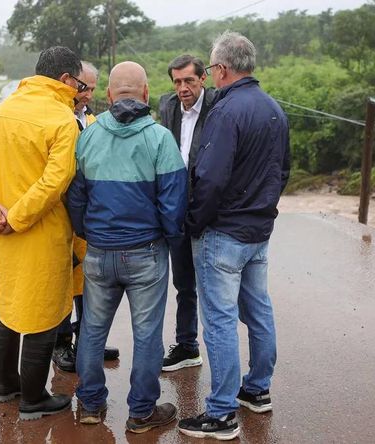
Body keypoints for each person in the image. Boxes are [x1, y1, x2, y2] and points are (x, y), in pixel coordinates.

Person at [177, 32, 291, 440]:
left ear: (221, 70)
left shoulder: (226, 112)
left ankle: (221, 412)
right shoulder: (274, 109)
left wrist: (194, 222)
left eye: (209, 70)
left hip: (223, 232)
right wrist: (265, 209)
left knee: (221, 320)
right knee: (258, 309)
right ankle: (257, 389)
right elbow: (282, 172)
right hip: (258, 230)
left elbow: (210, 177)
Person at [0, 46, 86, 421]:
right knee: (43, 313)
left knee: (10, 307)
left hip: (3, 233)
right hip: (40, 232)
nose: (80, 91)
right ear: (65, 79)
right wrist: (16, 217)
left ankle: (7, 386)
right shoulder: (62, 121)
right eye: (78, 84)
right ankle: (33, 397)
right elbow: (56, 181)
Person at [67, 61, 187, 433]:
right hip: (146, 253)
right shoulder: (160, 139)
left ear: (107, 95)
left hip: (100, 253)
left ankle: (89, 405)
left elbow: (75, 197)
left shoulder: (88, 136)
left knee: (91, 329)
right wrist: (169, 239)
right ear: (147, 93)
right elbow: (173, 204)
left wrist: (89, 232)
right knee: (147, 334)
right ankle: (141, 413)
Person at [53, 61, 120, 372]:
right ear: (70, 83)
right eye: (83, 87)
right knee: (65, 279)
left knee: (89, 281)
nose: (87, 94)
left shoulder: (92, 120)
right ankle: (61, 343)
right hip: (62, 211)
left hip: (87, 214)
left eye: (92, 88)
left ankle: (87, 341)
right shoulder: (58, 118)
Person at [158, 54, 215, 372]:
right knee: (183, 282)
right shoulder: (167, 105)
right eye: (177, 81)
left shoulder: (218, 106)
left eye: (189, 81)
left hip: (209, 208)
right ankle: (187, 344)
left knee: (212, 284)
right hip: (176, 207)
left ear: (202, 79)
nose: (182, 88)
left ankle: (218, 348)